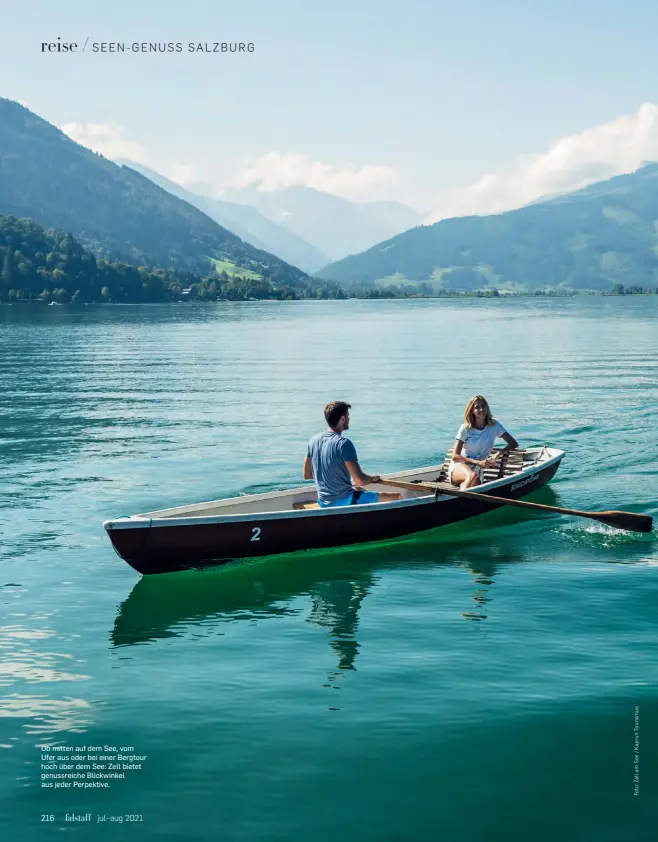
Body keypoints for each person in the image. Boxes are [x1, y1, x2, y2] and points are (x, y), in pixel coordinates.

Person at [303, 401, 401, 507]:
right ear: (342, 419)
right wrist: (371, 478)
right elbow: (360, 480)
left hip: (323, 502)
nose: (349, 419)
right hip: (343, 501)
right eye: (348, 416)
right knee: (397, 496)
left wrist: (331, 478)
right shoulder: (343, 443)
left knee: (358, 489)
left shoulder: (313, 440)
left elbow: (307, 475)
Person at [448, 395, 519, 490]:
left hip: (478, 470)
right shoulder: (465, 428)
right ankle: (459, 501)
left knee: (474, 479)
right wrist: (477, 462)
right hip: (460, 466)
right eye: (477, 407)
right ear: (472, 411)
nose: (481, 409)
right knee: (472, 477)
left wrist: (496, 456)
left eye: (483, 406)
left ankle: (461, 498)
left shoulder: (494, 425)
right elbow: (455, 456)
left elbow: (513, 443)